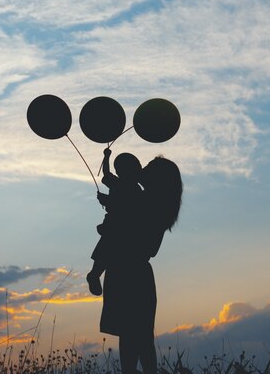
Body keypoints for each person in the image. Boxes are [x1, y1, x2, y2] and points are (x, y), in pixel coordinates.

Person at [99, 156, 183, 374]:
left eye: (147, 168)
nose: (142, 169)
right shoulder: (155, 203)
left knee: (132, 337)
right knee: (141, 338)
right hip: (136, 272)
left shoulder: (146, 202)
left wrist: (113, 203)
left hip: (127, 272)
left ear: (156, 178)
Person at [86, 148, 143, 296]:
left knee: (106, 248)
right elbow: (106, 173)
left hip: (122, 225)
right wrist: (106, 157)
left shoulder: (133, 189)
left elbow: (127, 206)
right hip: (115, 224)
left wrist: (107, 200)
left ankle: (94, 274)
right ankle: (94, 274)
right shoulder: (126, 185)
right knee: (105, 248)